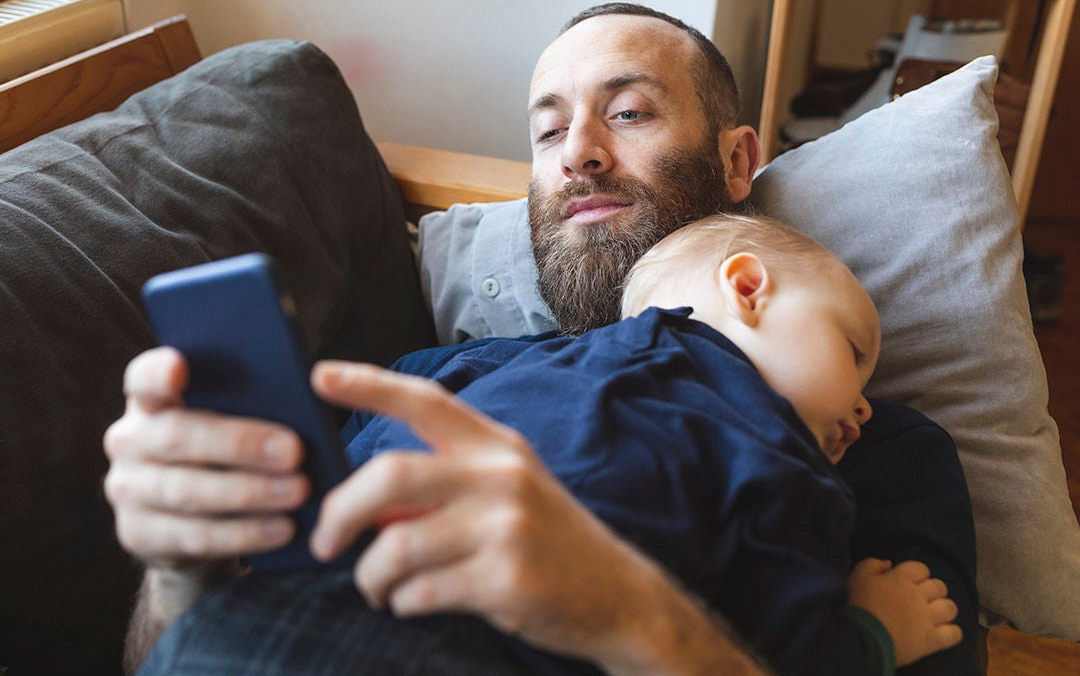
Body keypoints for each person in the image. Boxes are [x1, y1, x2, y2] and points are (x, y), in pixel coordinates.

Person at [104, 3, 978, 675]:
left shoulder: (862, 442)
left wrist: (631, 618)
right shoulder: (434, 380)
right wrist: (183, 568)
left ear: (737, 161)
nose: (578, 154)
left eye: (629, 114)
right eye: (550, 130)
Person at [345, 212, 958, 674]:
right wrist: (876, 630)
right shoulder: (778, 461)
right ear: (747, 287)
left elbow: (383, 437)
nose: (865, 405)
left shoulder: (516, 365)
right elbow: (792, 650)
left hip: (359, 586)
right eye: (854, 353)